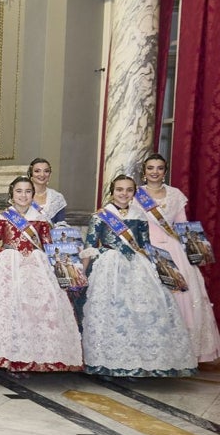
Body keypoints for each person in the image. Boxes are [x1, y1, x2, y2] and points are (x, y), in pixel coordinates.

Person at [80, 175, 194, 378]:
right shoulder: (101, 215)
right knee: (110, 312)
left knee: (139, 312)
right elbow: (90, 246)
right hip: (108, 268)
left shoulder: (140, 215)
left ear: (134, 192)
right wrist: (81, 275)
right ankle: (106, 361)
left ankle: (139, 360)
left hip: (137, 268)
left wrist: (163, 271)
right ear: (112, 192)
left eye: (128, 190)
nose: (123, 194)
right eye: (119, 190)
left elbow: (145, 245)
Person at [0, 176, 82, 373]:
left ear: (33, 195)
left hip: (37, 267)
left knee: (41, 308)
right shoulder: (1, 218)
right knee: (9, 309)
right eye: (19, 191)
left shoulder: (41, 219)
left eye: (27, 191)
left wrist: (62, 272)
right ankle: (9, 357)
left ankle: (37, 357)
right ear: (11, 194)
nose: (23, 195)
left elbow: (50, 248)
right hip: (8, 266)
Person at [140, 154, 220, 364]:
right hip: (145, 250)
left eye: (159, 168)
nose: (154, 171)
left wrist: (195, 248)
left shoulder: (175, 195)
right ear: (144, 171)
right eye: (150, 168)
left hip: (174, 251)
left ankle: (182, 351)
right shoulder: (136, 194)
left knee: (181, 298)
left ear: (165, 172)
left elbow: (182, 224)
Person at [28, 158, 67, 224]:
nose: (42, 174)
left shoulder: (57, 198)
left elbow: (60, 226)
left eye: (46, 171)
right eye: (37, 171)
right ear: (31, 174)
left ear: (50, 174)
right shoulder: (21, 196)